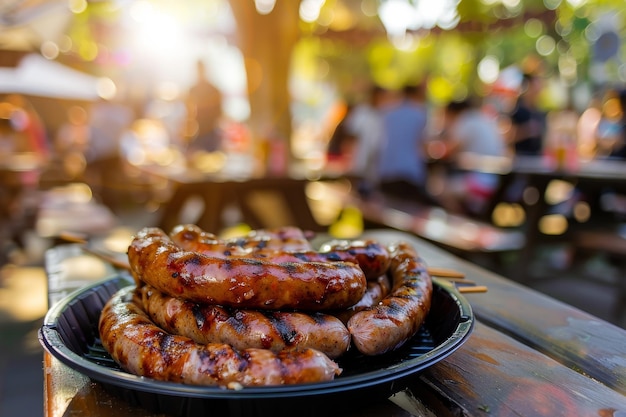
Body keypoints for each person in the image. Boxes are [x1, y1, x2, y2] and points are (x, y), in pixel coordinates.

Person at [437, 98, 509, 215]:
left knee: (440, 190)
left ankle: (459, 223)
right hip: (494, 181)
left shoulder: (466, 120)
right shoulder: (483, 119)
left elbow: (449, 150)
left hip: (479, 182)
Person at [375, 83, 436, 205]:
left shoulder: (387, 113)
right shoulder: (420, 115)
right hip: (410, 173)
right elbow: (424, 145)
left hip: (385, 171)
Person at [185, 59, 223, 154]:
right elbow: (189, 112)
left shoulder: (214, 90)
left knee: (211, 161)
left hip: (211, 132)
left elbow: (219, 112)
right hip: (197, 132)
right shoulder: (192, 90)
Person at [508, 73, 546, 155]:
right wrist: (527, 130)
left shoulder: (538, 111)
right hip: (521, 158)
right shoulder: (518, 109)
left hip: (536, 158)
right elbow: (508, 136)